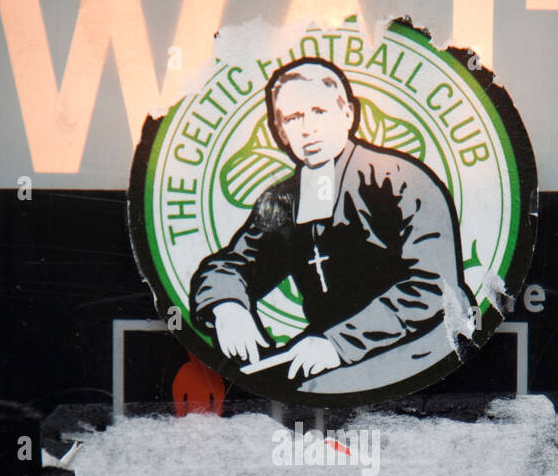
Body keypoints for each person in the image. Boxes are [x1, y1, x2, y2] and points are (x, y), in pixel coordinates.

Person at [189, 57, 476, 393]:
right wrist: (227, 306)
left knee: (315, 392)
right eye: (293, 118)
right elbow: (232, 264)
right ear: (279, 131)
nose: (308, 128)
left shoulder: (400, 180)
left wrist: (338, 343)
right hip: (330, 353)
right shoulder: (283, 201)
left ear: (348, 114)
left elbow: (433, 288)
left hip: (426, 345)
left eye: (319, 112)